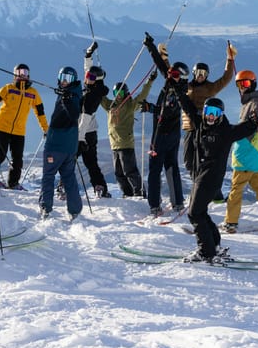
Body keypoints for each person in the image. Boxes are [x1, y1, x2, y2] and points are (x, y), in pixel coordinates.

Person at [177, 94, 258, 263]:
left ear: (220, 115)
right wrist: (175, 82)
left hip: (211, 177)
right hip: (200, 175)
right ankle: (214, 245)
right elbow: (186, 104)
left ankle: (206, 252)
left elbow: (244, 129)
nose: (211, 116)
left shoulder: (225, 131)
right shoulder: (200, 124)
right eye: (208, 112)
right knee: (200, 212)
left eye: (215, 113)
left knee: (194, 214)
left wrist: (255, 122)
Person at [223, 69, 258, 232]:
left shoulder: (255, 101)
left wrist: (255, 122)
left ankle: (231, 221)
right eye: (240, 84)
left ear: (253, 83)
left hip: (246, 155)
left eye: (246, 83)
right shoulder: (253, 101)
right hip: (256, 155)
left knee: (236, 189)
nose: (243, 87)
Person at [0, 63, 50, 190]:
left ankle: (13, 183)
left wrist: (45, 129)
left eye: (25, 73)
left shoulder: (33, 93)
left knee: (17, 159)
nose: (22, 75)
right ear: (15, 75)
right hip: (2, 127)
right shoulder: (9, 88)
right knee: (0, 155)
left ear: (28, 75)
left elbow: (40, 112)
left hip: (19, 131)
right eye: (20, 73)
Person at [141, 32, 188, 216]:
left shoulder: (177, 92)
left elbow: (165, 112)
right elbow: (162, 66)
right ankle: (177, 203)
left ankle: (154, 205)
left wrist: (150, 108)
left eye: (174, 74)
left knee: (155, 169)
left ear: (181, 77)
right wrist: (150, 47)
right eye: (170, 73)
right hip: (173, 135)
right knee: (171, 167)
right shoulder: (175, 85)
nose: (170, 75)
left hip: (161, 135)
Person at [183, 44, 237, 199]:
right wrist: (164, 58)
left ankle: (211, 193)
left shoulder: (210, 88)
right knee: (188, 161)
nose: (201, 75)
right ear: (194, 73)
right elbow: (171, 76)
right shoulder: (186, 87)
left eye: (204, 73)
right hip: (189, 128)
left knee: (204, 162)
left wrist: (230, 59)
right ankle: (203, 188)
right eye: (198, 72)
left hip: (204, 128)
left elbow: (226, 78)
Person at [100, 71, 156, 197]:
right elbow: (100, 98)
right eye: (115, 93)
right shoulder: (110, 106)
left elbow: (142, 96)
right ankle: (128, 193)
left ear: (125, 92)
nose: (118, 96)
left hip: (126, 144)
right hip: (114, 145)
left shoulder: (130, 105)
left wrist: (150, 82)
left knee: (129, 171)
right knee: (119, 173)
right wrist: (99, 82)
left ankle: (139, 192)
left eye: (120, 93)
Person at [39, 66, 84, 220]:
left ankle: (46, 207)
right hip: (69, 147)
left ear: (74, 81)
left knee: (48, 175)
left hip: (56, 145)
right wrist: (65, 96)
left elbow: (74, 114)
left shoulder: (72, 96)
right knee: (68, 177)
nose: (65, 81)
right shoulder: (74, 92)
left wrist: (65, 98)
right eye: (63, 77)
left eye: (68, 79)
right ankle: (75, 210)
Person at [78, 42, 111, 198]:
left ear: (96, 80)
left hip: (84, 133)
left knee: (71, 160)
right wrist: (88, 55)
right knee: (91, 162)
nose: (87, 78)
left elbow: (84, 118)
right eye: (86, 77)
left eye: (90, 78)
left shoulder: (92, 96)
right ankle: (100, 187)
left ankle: (63, 186)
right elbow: (88, 70)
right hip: (88, 131)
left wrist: (80, 138)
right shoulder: (92, 85)